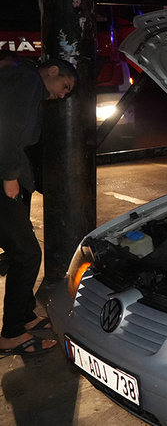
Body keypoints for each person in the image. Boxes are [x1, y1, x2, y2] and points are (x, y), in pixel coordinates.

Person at [0, 58, 77, 355]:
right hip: (2, 178)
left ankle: (24, 315)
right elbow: (7, 129)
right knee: (27, 253)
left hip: (9, 175)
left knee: (21, 248)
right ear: (53, 71)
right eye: (65, 86)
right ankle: (12, 333)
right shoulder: (27, 79)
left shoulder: (25, 83)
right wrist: (9, 177)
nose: (63, 94)